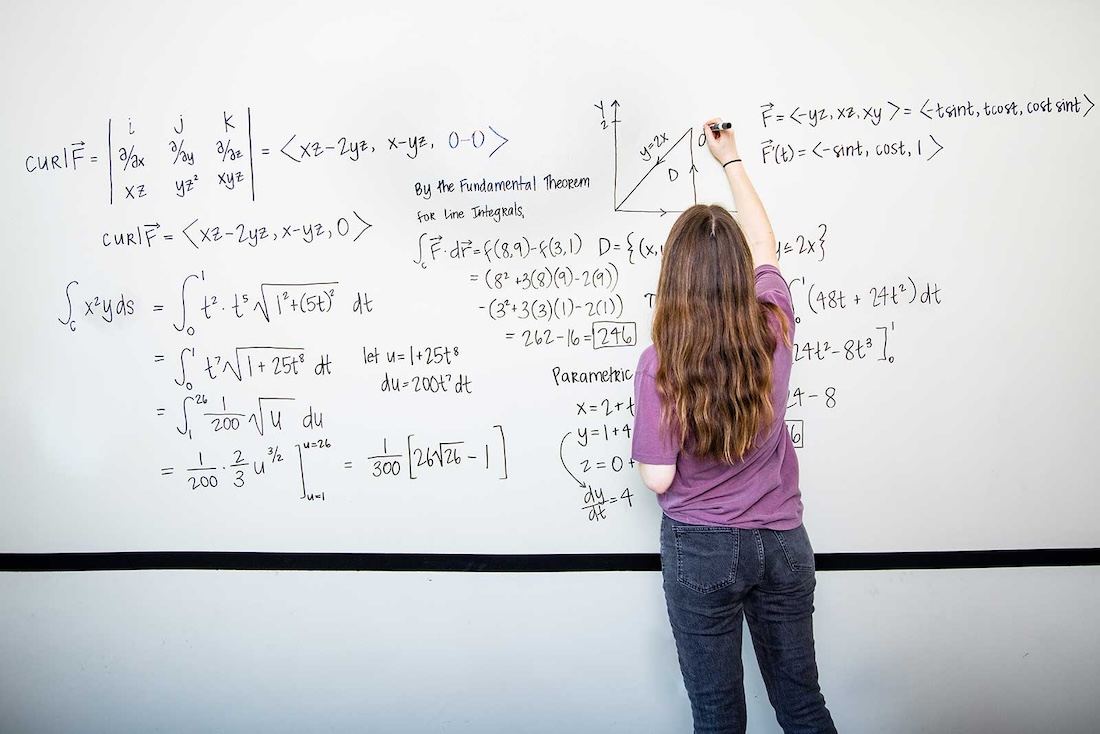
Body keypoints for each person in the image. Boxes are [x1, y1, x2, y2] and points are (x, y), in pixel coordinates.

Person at [631, 117, 837, 734]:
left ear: (675, 278)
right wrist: (731, 161)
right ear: (741, 270)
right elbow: (766, 245)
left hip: (701, 547)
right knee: (803, 706)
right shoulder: (774, 324)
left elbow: (658, 477)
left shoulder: (661, 363)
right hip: (782, 543)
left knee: (718, 716)